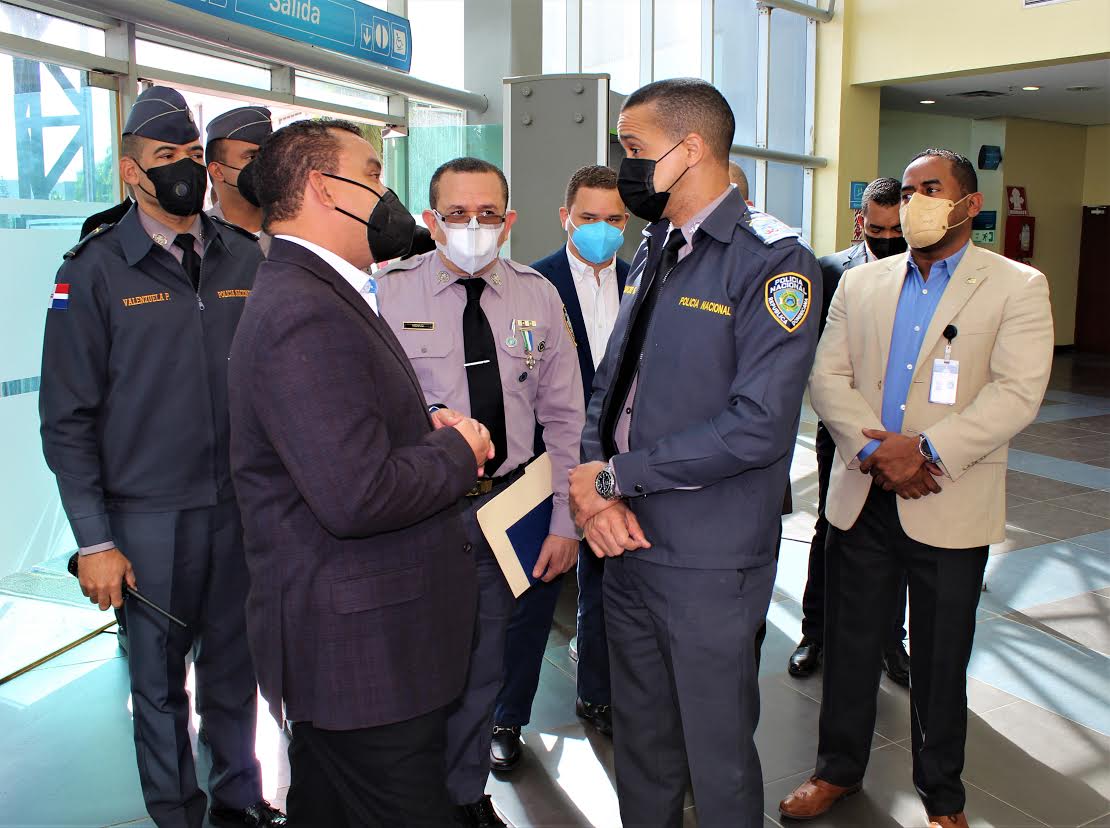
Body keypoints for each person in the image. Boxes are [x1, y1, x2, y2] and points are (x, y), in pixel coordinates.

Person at [569, 78, 822, 828]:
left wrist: (617, 476)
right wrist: (595, 486)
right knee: (641, 744)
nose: (626, 165)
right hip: (626, 542)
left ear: (690, 148)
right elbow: (612, 384)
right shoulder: (658, 247)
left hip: (708, 557)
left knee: (717, 756)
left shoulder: (772, 261)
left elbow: (757, 426)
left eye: (634, 147)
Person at [228, 118, 493, 827]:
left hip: (364, 645)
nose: (385, 192)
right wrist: (459, 451)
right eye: (373, 174)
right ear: (323, 187)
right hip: (363, 658)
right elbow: (357, 494)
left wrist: (420, 426)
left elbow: (340, 438)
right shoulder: (304, 309)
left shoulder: (323, 291)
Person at [778, 149, 1053, 827]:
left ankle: (942, 797)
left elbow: (1016, 392)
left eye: (931, 189)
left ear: (970, 205)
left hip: (947, 497)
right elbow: (827, 376)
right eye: (906, 191)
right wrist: (877, 450)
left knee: (939, 659)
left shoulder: (1017, 285)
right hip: (863, 493)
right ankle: (836, 770)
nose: (914, 203)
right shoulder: (861, 283)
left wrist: (925, 451)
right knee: (849, 646)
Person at [39, 85, 282, 828]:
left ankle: (238, 804)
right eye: (164, 154)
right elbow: (66, 420)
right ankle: (177, 816)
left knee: (235, 677)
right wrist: (94, 541)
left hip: (238, 511)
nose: (183, 167)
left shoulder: (244, 257)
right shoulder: (93, 270)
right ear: (130, 171)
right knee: (156, 688)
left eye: (191, 153)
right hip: (146, 520)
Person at [376, 156, 585, 828]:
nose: (474, 226)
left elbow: (566, 418)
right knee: (411, 668)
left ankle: (466, 795)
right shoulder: (387, 294)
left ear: (509, 220)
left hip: (506, 510)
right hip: (417, 512)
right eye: (458, 214)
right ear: (431, 220)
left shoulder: (537, 296)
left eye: (488, 213)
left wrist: (566, 522)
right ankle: (415, 802)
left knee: (484, 668)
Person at [489, 164, 630, 772]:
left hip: (620, 463)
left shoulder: (642, 280)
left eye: (615, 218)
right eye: (589, 217)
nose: (602, 229)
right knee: (533, 595)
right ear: (565, 217)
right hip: (547, 464)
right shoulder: (531, 284)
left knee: (612, 586)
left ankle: (598, 695)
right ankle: (505, 718)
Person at [789, 176, 912, 685]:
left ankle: (890, 640)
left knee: (901, 530)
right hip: (842, 429)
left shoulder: (923, 273)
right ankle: (815, 633)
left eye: (897, 231)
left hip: (902, 434)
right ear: (860, 222)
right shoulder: (830, 270)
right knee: (832, 526)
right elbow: (816, 357)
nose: (887, 240)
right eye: (877, 230)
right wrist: (850, 428)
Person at [205, 105, 273, 254]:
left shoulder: (291, 232)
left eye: (268, 156)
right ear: (218, 171)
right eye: (252, 157)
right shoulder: (199, 236)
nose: (265, 164)